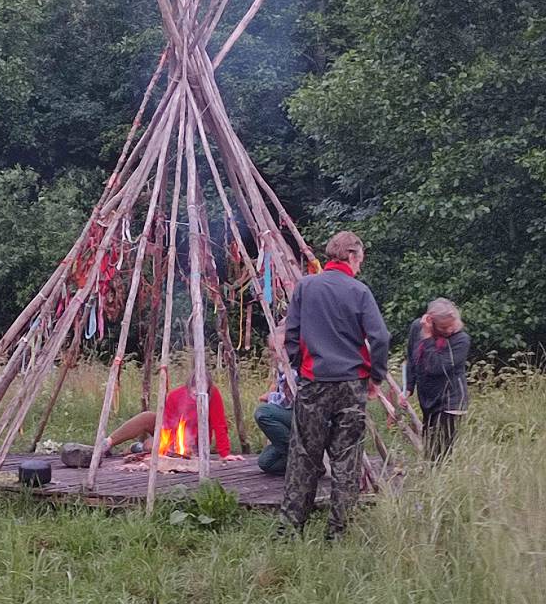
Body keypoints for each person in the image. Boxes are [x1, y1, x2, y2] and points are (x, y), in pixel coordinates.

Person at [276, 231, 389, 539]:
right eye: (360, 260)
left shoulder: (306, 287)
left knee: (304, 455)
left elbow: (292, 333)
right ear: (351, 256)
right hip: (351, 384)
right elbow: (380, 338)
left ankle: (289, 529)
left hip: (315, 382)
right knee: (346, 457)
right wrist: (375, 378)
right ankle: (337, 531)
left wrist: (301, 367)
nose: (360, 266)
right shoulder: (359, 291)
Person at [99, 359, 244, 460]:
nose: (196, 396)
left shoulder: (213, 395)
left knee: (151, 447)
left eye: (201, 391)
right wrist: (169, 442)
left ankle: (138, 447)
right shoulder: (175, 396)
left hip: (194, 442)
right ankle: (107, 443)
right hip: (172, 435)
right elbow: (167, 424)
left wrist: (225, 453)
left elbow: (219, 424)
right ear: (189, 387)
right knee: (147, 417)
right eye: (194, 392)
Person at [405, 298, 470, 461]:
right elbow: (413, 359)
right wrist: (408, 386)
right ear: (430, 322)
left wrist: (427, 338)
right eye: (443, 327)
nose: (449, 330)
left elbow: (435, 367)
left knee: (439, 455)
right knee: (430, 447)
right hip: (428, 399)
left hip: (450, 401)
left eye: (451, 324)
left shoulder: (461, 340)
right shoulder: (417, 328)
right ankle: (432, 481)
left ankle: (438, 482)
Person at [254, 323, 296, 475]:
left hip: (302, 416)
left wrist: (270, 397)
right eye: (273, 351)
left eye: (278, 349)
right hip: (290, 418)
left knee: (263, 413)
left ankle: (302, 457)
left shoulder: (298, 366)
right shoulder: (282, 368)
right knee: (266, 463)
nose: (276, 354)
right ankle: (308, 465)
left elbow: (289, 400)